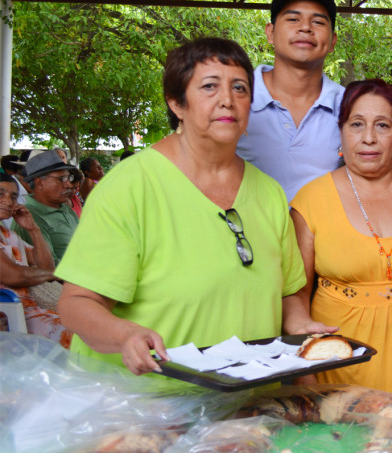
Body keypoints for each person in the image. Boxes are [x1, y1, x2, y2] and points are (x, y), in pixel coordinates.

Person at [56, 38, 332, 375]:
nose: (228, 101)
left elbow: (289, 294)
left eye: (240, 88)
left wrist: (300, 324)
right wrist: (125, 335)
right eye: (209, 87)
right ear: (176, 103)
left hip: (245, 407)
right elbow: (76, 304)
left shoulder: (269, 192)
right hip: (147, 409)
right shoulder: (131, 186)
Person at [286, 79, 392, 398]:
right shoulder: (311, 200)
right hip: (341, 357)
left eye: (382, 125)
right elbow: (295, 295)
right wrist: (303, 370)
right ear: (341, 131)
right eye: (356, 124)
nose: (368, 138)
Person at [236, 0, 345, 201]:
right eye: (293, 19)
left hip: (322, 235)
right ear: (270, 32)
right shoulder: (234, 98)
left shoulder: (350, 106)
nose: (305, 28)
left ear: (333, 41)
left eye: (318, 22)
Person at [0, 174, 71, 347]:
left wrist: (33, 229)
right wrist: (55, 274)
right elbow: (13, 276)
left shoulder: (9, 235)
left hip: (30, 310)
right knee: (80, 335)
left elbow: (45, 265)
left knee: (85, 325)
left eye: (13, 197)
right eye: (1, 194)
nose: (8, 201)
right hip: (9, 314)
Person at [15, 150, 78, 263]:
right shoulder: (28, 217)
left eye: (69, 178)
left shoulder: (64, 208)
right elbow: (49, 268)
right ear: (40, 183)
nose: (69, 184)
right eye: (62, 179)